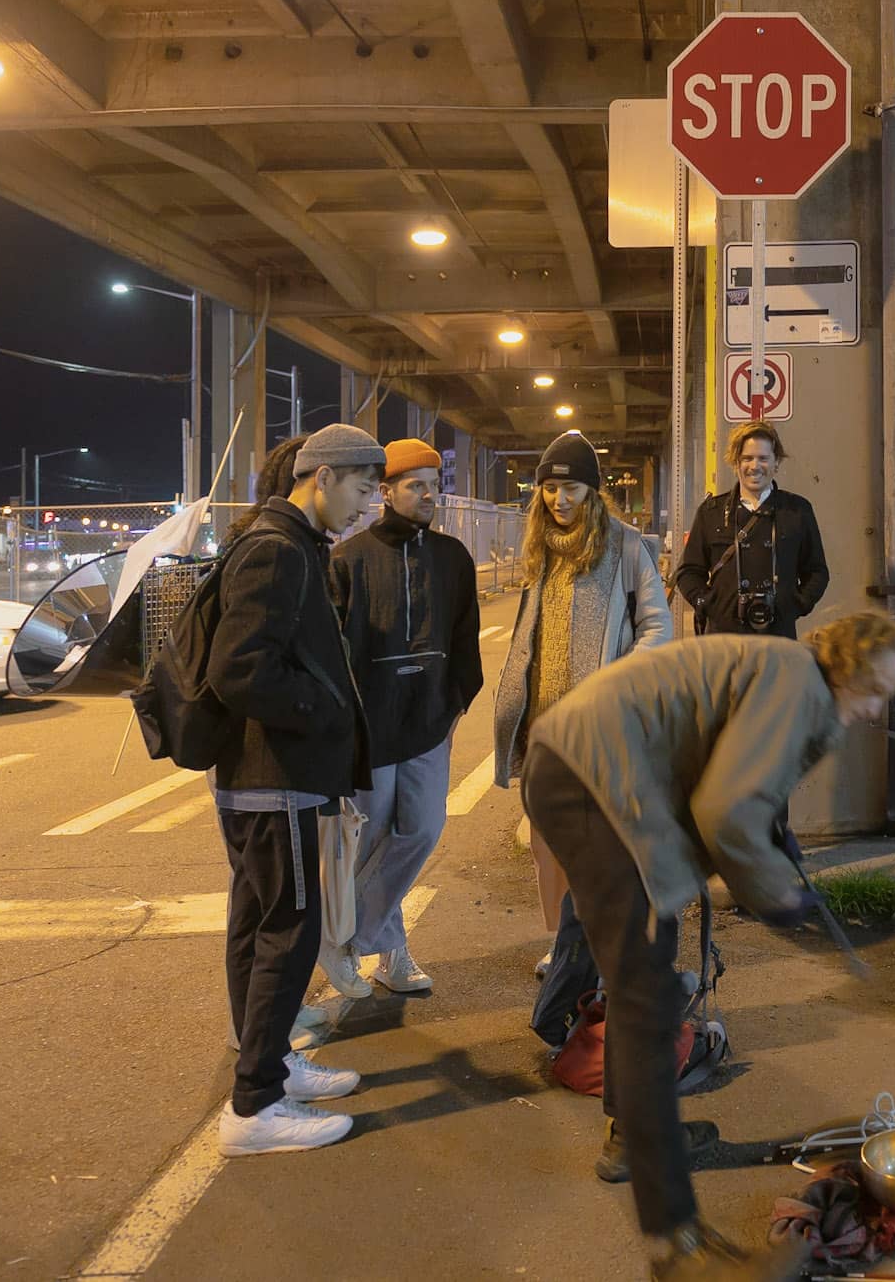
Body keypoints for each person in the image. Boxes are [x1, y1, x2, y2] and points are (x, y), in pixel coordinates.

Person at [520, 611, 895, 1282]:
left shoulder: (791, 679)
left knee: (648, 971)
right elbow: (727, 810)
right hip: (593, 778)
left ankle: (636, 1136)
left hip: (599, 771)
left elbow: (726, 792)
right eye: (878, 688)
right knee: (647, 1001)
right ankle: (676, 1247)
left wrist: (758, 864)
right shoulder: (798, 685)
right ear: (847, 667)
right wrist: (779, 898)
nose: (879, 708)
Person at [205, 425, 385, 1157]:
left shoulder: (287, 542)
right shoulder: (277, 551)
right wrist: (322, 709)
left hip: (267, 778)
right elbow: (238, 669)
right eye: (362, 488)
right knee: (288, 930)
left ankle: (271, 1067)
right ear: (322, 477)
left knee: (259, 924)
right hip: (271, 777)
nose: (367, 504)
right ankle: (254, 1107)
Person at [491, 430, 674, 973]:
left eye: (570, 489)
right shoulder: (538, 549)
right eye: (549, 488)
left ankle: (604, 939)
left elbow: (658, 628)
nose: (558, 500)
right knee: (550, 842)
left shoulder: (625, 547)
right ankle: (566, 943)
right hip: (544, 724)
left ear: (593, 492)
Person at [326, 438, 483, 997]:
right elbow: (336, 651)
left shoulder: (452, 558)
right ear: (385, 492)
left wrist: (457, 704)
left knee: (422, 830)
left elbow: (465, 639)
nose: (428, 495)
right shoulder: (347, 560)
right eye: (415, 485)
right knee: (370, 843)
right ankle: (391, 952)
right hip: (370, 729)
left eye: (433, 485)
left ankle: (346, 938)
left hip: (428, 724)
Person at [675, 419, 829, 638]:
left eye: (763, 458)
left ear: (776, 463)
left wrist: (797, 605)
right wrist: (708, 605)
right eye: (747, 458)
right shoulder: (711, 512)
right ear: (735, 463)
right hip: (723, 638)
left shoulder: (797, 511)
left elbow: (817, 571)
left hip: (778, 635)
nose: (754, 466)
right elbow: (688, 572)